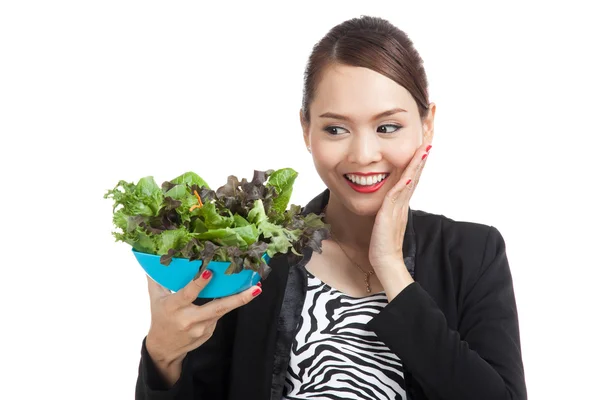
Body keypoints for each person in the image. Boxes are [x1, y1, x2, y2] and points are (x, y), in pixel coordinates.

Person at [135, 15, 527, 400]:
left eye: (387, 127)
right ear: (306, 128)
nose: (363, 154)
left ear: (427, 125)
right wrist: (162, 357)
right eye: (335, 129)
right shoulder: (248, 258)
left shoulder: (474, 253)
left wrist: (391, 266)